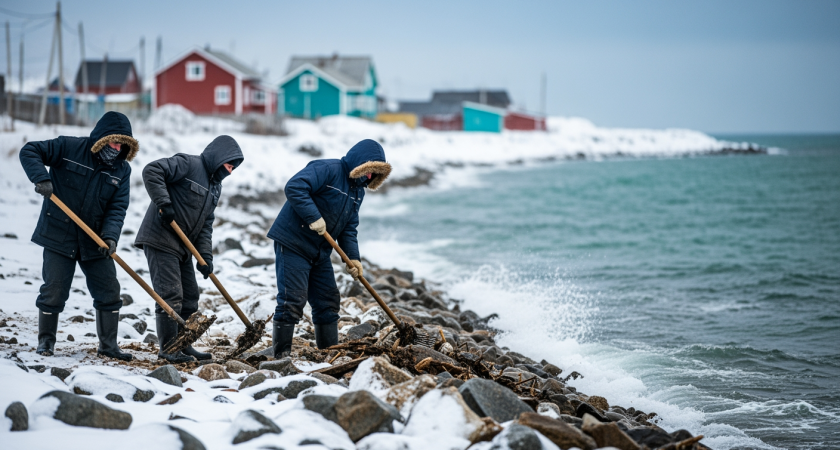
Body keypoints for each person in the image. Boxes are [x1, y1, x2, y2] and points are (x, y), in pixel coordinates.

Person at [19, 111, 139, 361]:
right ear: (102, 138)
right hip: (58, 234)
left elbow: (117, 208)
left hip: (94, 240)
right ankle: (46, 342)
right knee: (54, 290)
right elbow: (30, 151)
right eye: (114, 142)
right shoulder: (68, 147)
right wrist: (41, 178)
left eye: (122, 145)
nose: (117, 149)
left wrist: (110, 237)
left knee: (109, 290)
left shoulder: (122, 170)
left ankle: (108, 346)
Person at [267, 139, 391, 358]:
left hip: (320, 251)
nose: (370, 176)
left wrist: (353, 258)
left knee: (328, 301)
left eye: (375, 173)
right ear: (359, 163)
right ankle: (280, 357)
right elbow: (295, 186)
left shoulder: (358, 192)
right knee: (292, 299)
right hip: (294, 242)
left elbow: (349, 228)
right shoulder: (328, 169)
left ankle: (328, 354)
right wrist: (313, 217)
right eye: (369, 170)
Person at [135, 135, 243, 363]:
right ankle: (168, 349)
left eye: (233, 168)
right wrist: (164, 203)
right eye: (229, 165)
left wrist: (205, 256)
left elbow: (206, 224)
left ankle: (183, 345)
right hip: (161, 238)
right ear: (219, 157)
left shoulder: (215, 187)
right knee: (170, 295)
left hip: (183, 247)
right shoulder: (189, 164)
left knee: (191, 297)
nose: (230, 171)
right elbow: (152, 170)